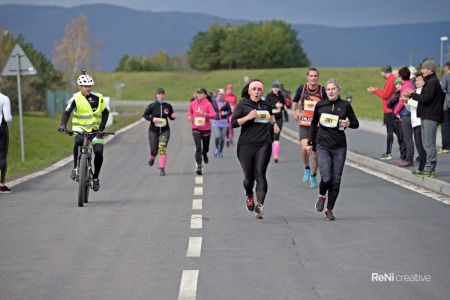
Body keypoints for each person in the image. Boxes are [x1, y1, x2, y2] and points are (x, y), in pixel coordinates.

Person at [306, 78, 359, 221]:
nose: (330, 91)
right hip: (323, 145)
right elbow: (313, 124)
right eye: (328, 89)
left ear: (338, 90)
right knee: (327, 178)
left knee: (336, 180)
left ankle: (329, 210)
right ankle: (322, 196)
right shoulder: (320, 105)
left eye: (333, 89)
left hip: (339, 147)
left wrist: (348, 123)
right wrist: (310, 142)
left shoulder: (345, 105)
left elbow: (356, 123)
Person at [231, 79, 280, 219]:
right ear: (249, 91)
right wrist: (247, 117)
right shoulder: (243, 104)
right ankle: (249, 195)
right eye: (254, 89)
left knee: (260, 175)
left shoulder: (266, 104)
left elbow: (270, 115)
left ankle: (260, 206)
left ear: (262, 91)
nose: (257, 92)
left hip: (264, 144)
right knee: (249, 178)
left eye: (259, 89)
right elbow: (234, 123)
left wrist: (275, 123)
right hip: (246, 145)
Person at [58, 70, 109, 191]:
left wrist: (101, 129)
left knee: (99, 152)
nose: (88, 88)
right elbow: (67, 112)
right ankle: (76, 168)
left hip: (95, 130)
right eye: (85, 86)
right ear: (80, 86)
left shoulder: (99, 97)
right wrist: (63, 125)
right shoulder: (75, 98)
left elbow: (105, 112)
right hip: (80, 129)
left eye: (89, 86)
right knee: (78, 142)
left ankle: (95, 178)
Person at [403, 60, 444, 178]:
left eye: (424, 68)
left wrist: (412, 94)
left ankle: (430, 168)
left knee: (429, 144)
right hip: (426, 116)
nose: (422, 70)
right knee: (426, 144)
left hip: (430, 116)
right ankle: (427, 168)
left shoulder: (432, 82)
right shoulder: (430, 81)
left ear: (430, 69)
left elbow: (425, 98)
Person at [292, 67, 327, 188]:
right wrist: (293, 112)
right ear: (307, 77)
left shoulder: (322, 91)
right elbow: (295, 100)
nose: (313, 78)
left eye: (315, 76)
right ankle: (306, 168)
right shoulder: (302, 89)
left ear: (318, 77)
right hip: (305, 124)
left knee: (315, 154)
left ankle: (313, 174)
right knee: (304, 147)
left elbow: (328, 105)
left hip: (317, 126)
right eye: (311, 76)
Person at [143, 88, 176, 176]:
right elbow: (145, 115)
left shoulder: (168, 106)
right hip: (153, 131)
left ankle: (162, 169)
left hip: (165, 130)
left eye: (162, 94)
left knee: (162, 148)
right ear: (156, 95)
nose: (161, 95)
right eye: (159, 94)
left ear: (164, 95)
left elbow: (171, 117)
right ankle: (152, 158)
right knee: (154, 151)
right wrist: (152, 119)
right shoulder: (152, 105)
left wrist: (173, 116)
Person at [367, 65, 397, 160]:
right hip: (390, 109)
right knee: (395, 130)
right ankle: (400, 151)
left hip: (389, 110)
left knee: (390, 131)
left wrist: (375, 91)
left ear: (384, 72)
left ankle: (389, 152)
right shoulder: (391, 79)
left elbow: (385, 95)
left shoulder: (390, 80)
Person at [401, 73, 427, 174]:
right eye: (416, 80)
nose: (417, 82)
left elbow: (421, 104)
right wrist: (406, 102)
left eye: (419, 80)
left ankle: (422, 167)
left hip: (420, 121)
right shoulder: (415, 92)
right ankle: (421, 166)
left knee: (421, 145)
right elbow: (410, 108)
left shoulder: (423, 93)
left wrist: (409, 101)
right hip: (415, 122)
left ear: (424, 81)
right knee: (418, 144)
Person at [188, 88, 215, 175]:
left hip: (206, 129)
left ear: (205, 95)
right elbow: (190, 112)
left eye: (201, 93)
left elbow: (213, 115)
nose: (199, 94)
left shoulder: (208, 104)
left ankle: (205, 153)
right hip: (195, 128)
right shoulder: (193, 103)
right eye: (198, 93)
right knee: (198, 147)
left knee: (205, 148)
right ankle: (199, 166)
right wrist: (189, 117)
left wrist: (204, 114)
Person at [393, 67, 415, 167]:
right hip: (410, 113)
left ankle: (409, 159)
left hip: (406, 114)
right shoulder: (410, 84)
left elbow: (402, 100)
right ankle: (408, 158)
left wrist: (396, 111)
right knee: (409, 137)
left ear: (401, 76)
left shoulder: (405, 86)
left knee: (407, 137)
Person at [265, 82, 286, 162]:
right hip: (270, 118)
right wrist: (275, 106)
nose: (275, 89)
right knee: (270, 137)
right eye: (274, 87)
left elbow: (283, 104)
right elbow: (266, 106)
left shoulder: (281, 96)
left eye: (277, 87)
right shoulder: (268, 96)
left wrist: (283, 107)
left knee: (276, 136)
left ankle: (276, 156)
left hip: (279, 118)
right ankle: (268, 154)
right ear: (272, 88)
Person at [0, 77, 13, 193]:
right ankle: (1, 184)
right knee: (2, 155)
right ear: (1, 84)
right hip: (1, 128)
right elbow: (7, 118)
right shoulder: (4, 98)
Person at [211, 88, 232, 158]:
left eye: (221, 94)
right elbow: (210, 110)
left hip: (224, 122)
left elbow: (230, 111)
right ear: (217, 94)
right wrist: (213, 113)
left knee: (222, 138)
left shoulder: (226, 103)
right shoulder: (214, 102)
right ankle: (216, 148)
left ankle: (220, 151)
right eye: (219, 94)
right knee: (217, 136)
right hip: (216, 122)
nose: (220, 95)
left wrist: (225, 113)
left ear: (223, 95)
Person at [438, 61, 450, 154]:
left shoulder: (446, 76)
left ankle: (446, 147)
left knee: (445, 126)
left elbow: (443, 90)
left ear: (447, 67)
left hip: (448, 105)